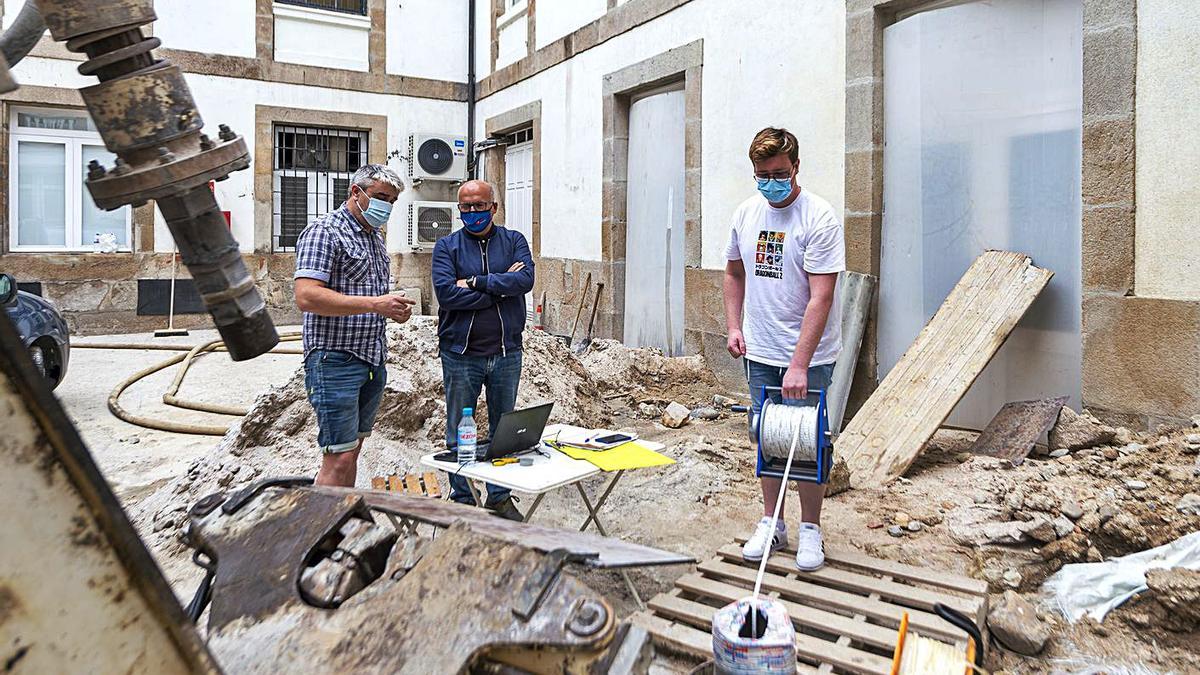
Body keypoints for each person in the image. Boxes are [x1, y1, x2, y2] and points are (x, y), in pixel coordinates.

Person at [724, 127, 844, 571]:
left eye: (778, 173)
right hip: (760, 350)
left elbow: (822, 297)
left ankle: (811, 528)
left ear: (796, 167)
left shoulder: (819, 218)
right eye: (762, 175)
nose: (770, 182)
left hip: (807, 358)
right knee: (765, 433)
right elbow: (734, 274)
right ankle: (772, 522)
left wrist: (799, 364)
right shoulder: (746, 213)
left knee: (808, 439)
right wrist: (735, 326)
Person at [294, 164, 416, 487]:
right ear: (355, 193)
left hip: (371, 361)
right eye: (380, 197)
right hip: (335, 361)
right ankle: (320, 534)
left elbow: (371, 298)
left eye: (391, 200)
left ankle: (341, 520)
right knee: (338, 457)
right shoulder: (325, 232)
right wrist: (376, 304)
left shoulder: (375, 239)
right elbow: (307, 296)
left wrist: (391, 308)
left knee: (353, 450)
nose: (385, 206)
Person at [432, 179, 534, 521]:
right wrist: (501, 285)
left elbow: (525, 281)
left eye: (480, 206)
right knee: (459, 432)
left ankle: (499, 499)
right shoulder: (446, 247)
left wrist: (476, 282)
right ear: (459, 210)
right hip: (461, 355)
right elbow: (447, 295)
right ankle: (462, 498)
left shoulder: (515, 241)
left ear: (494, 207)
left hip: (507, 353)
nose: (473, 213)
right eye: (466, 207)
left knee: (503, 432)